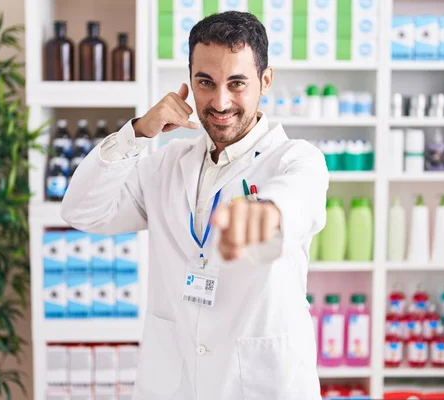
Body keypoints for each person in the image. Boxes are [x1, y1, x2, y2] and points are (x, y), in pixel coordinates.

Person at [61, 11, 329, 400]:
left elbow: (296, 203)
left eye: (237, 83)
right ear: (189, 81)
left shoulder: (296, 159)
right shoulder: (166, 164)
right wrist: (136, 134)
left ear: (265, 80)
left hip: (259, 385)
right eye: (206, 82)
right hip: (176, 383)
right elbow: (82, 210)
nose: (220, 102)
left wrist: (265, 214)